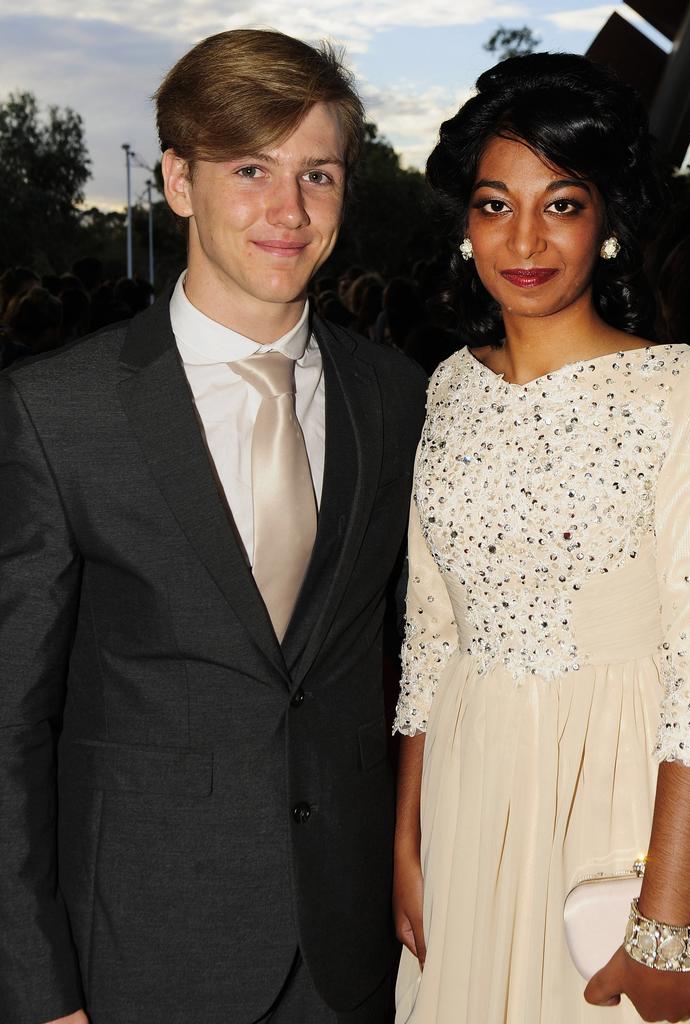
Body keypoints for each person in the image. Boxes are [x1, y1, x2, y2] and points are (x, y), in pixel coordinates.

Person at [0, 29, 425, 1024]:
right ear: (178, 182)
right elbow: (9, 721)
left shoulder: (397, 397)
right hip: (138, 959)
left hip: (350, 955)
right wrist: (36, 987)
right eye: (250, 169)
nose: (288, 211)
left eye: (317, 173)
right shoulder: (57, 413)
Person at [392, 52, 690, 1023]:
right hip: (471, 802)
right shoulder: (447, 389)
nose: (522, 237)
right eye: (492, 203)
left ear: (606, 221)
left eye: (560, 203)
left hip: (626, 813)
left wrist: (667, 923)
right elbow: (431, 637)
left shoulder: (685, 390)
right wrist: (409, 838)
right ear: (465, 222)